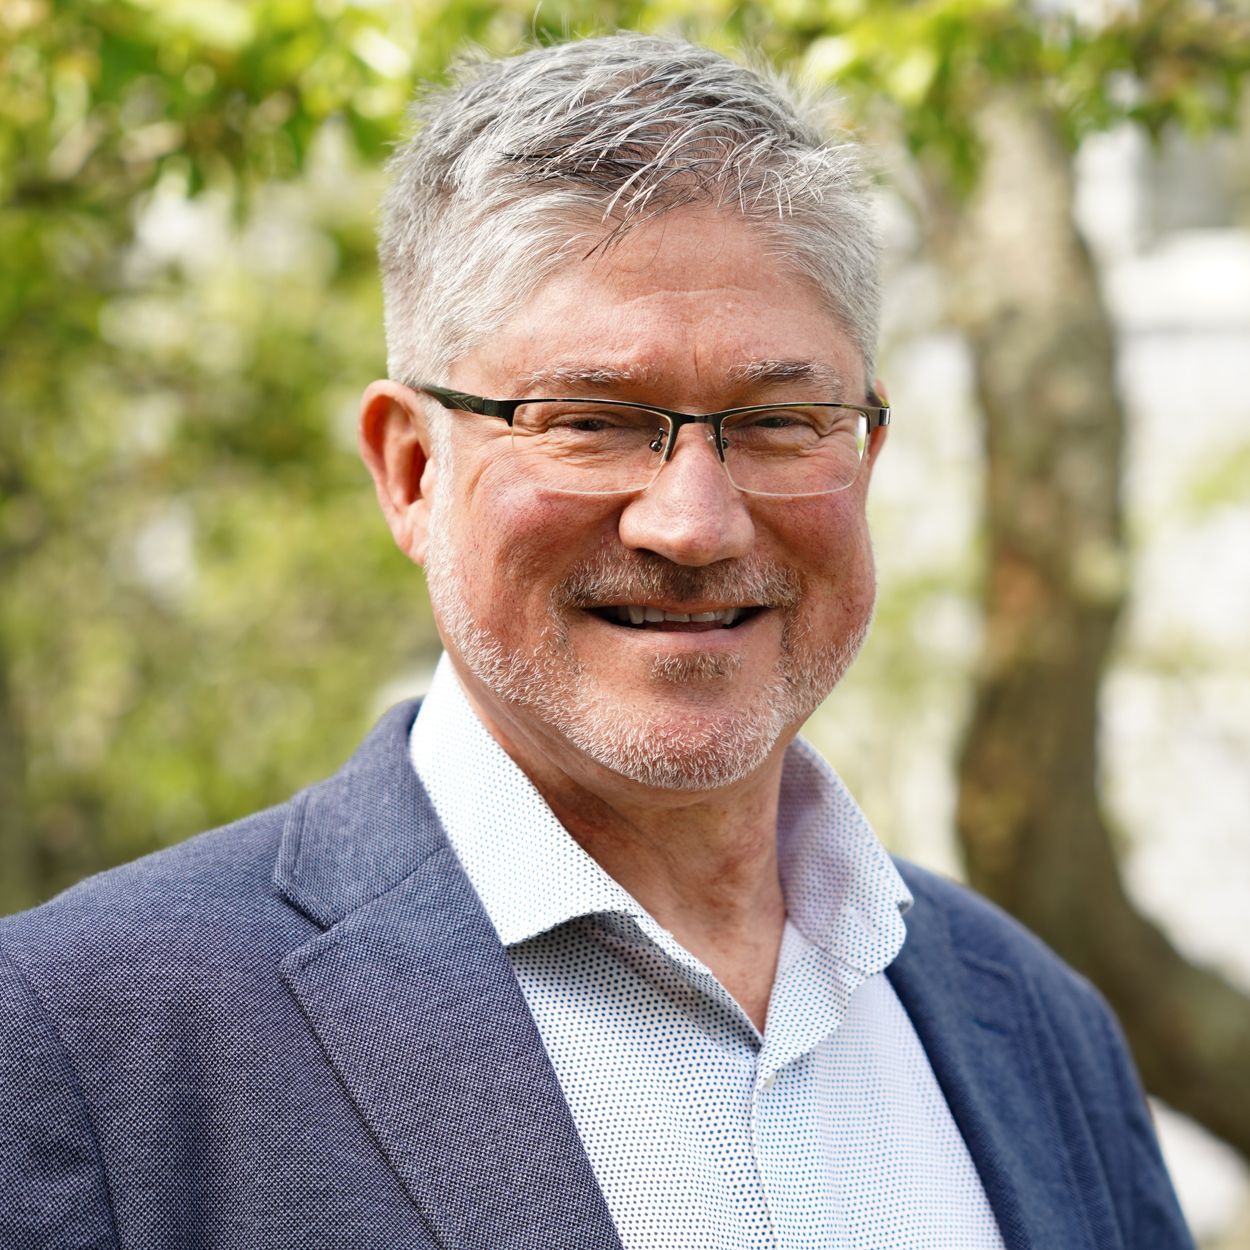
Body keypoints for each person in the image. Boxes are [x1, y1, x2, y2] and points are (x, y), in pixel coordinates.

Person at [0, 33, 1192, 1250]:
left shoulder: (1040, 1031)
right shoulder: (84, 1045)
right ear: (411, 471)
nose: (692, 520)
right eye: (590, 421)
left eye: (780, 421)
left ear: (864, 456)